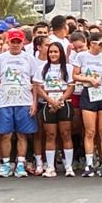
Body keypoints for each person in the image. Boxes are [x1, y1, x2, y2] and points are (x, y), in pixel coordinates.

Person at [0, 29, 39, 178]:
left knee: (22, 134)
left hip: (24, 101)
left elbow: (35, 82)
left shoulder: (29, 59)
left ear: (23, 42)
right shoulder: (0, 59)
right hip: (5, 101)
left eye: (18, 42)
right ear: (8, 42)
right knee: (5, 134)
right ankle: (6, 164)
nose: (16, 45)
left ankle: (21, 164)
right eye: (13, 42)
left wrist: (34, 103)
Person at [74, 32, 102, 177]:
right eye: (101, 44)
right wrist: (89, 80)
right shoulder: (82, 56)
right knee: (90, 131)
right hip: (89, 92)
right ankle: (89, 163)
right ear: (92, 43)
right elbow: (75, 75)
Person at [34, 42, 76, 177]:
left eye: (56, 52)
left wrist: (60, 100)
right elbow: (38, 86)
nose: (53, 54)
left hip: (64, 103)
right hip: (49, 103)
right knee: (50, 135)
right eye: (51, 52)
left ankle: (69, 166)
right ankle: (50, 167)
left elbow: (71, 86)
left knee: (66, 134)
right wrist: (50, 100)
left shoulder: (68, 68)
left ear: (61, 53)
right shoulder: (42, 68)